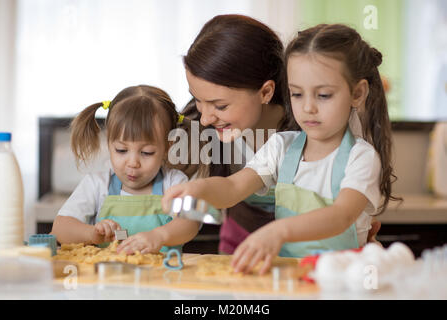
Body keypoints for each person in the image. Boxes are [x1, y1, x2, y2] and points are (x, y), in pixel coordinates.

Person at [163, 24, 400, 273]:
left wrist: (277, 231)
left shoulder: (361, 157)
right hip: (292, 272)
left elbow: (341, 216)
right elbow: (233, 187)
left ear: (358, 93)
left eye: (323, 95)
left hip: (342, 274)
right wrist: (197, 189)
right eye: (297, 94)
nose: (308, 107)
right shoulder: (281, 146)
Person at [51, 85, 200, 254]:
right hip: (109, 276)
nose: (133, 163)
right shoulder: (98, 184)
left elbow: (191, 222)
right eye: (121, 150)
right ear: (109, 144)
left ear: (167, 147)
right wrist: (91, 233)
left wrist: (159, 236)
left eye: (146, 152)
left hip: (163, 277)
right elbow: (60, 228)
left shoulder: (174, 183)